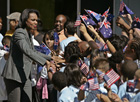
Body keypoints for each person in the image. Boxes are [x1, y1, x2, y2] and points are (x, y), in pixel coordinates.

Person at [2, 9, 53, 102]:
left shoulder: (28, 34)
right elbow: (27, 51)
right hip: (14, 76)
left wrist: (51, 57)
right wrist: (44, 62)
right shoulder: (19, 33)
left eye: (37, 20)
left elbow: (34, 51)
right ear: (25, 20)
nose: (36, 22)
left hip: (25, 76)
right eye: (33, 20)